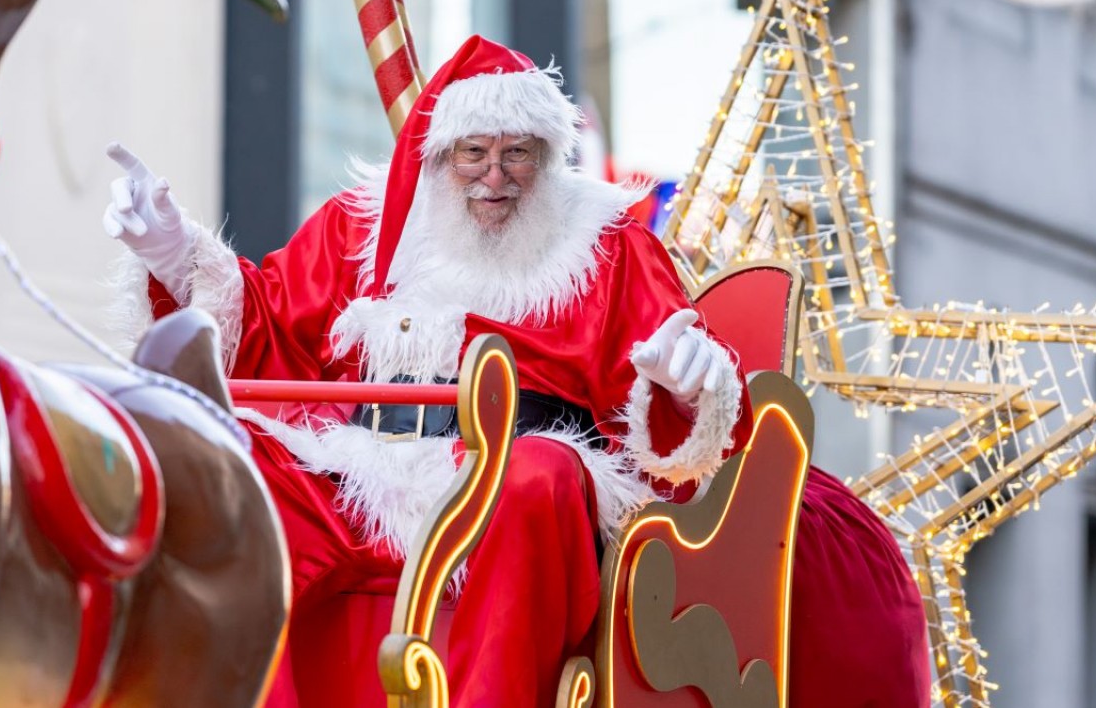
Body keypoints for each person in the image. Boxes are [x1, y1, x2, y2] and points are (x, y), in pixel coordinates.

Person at [105, 35, 746, 707]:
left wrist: (689, 384)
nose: (493, 178)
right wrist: (172, 250)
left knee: (542, 474)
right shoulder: (366, 227)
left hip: (510, 485)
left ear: (549, 158)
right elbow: (265, 318)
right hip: (366, 474)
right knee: (235, 466)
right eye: (474, 153)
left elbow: (676, 389)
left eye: (516, 154)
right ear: (441, 156)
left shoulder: (608, 242)